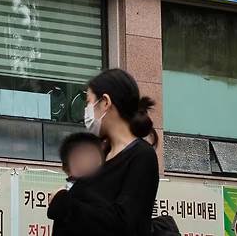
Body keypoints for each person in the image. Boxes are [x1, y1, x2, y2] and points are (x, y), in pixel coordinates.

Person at [47, 68, 160, 236]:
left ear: (105, 102)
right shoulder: (101, 154)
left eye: (88, 102)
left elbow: (125, 224)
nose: (86, 111)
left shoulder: (142, 156)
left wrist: (65, 203)